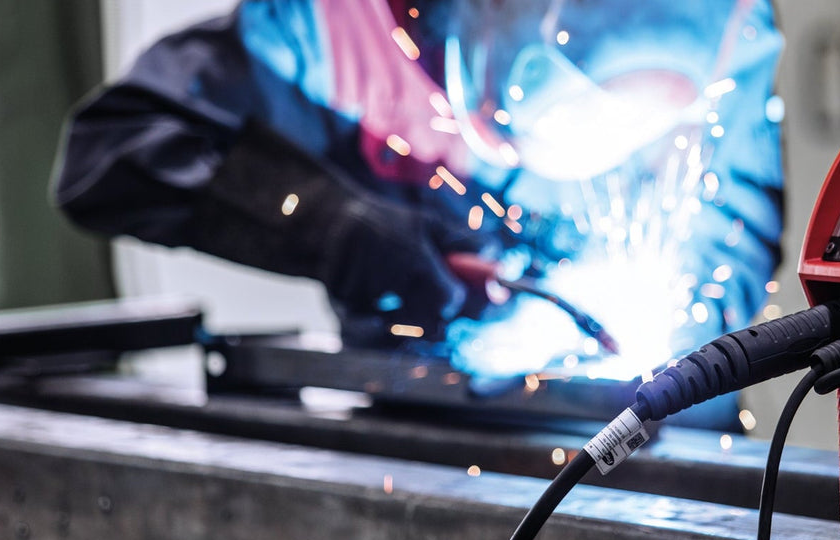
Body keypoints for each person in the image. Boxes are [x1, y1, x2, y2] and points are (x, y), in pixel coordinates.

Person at [55, 0, 785, 429]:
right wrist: (334, 226)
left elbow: (729, 237)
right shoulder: (333, 30)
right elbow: (111, 151)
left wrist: (664, 359)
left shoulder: (728, 30)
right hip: (427, 463)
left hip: (662, 461)